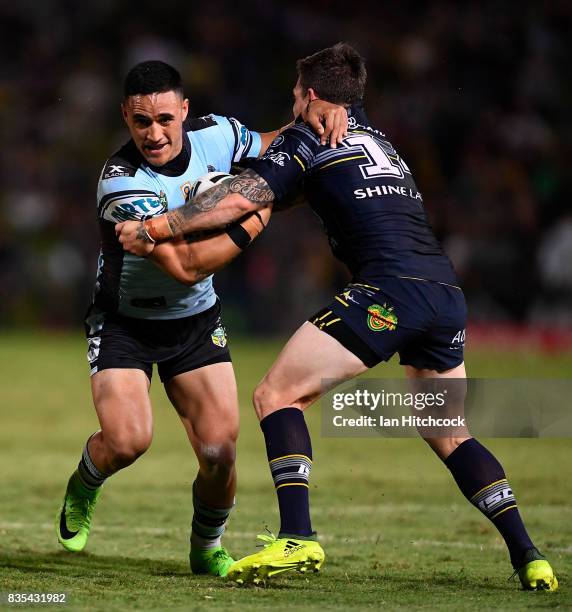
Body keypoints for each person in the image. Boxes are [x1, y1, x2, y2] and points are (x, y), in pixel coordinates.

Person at [116, 45, 558, 591]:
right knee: (448, 429)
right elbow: (297, 187)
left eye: (296, 94)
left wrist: (159, 227)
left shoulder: (307, 135)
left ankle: (298, 535)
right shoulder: (374, 136)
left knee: (276, 396)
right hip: (444, 292)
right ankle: (529, 555)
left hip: (387, 293)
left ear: (311, 97)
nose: (293, 103)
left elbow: (247, 195)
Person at [55, 59, 348, 578]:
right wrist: (249, 224)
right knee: (127, 442)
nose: (155, 133)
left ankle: (206, 547)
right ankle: (86, 481)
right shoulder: (119, 184)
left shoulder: (217, 135)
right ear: (125, 116)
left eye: (166, 119)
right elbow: (184, 268)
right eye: (142, 121)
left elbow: (273, 144)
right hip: (125, 324)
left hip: (193, 324)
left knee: (219, 452)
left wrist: (319, 114)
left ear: (185, 112)